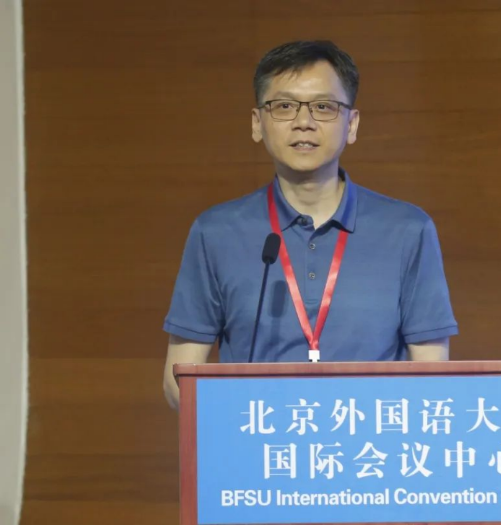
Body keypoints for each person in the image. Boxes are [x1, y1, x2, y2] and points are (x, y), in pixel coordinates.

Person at [162, 41, 458, 409]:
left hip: (369, 441)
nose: (304, 122)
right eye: (284, 106)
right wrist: (238, 424)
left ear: (352, 125)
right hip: (258, 439)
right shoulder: (216, 233)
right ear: (257, 124)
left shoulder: (408, 230)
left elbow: (432, 376)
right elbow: (178, 381)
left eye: (323, 107)